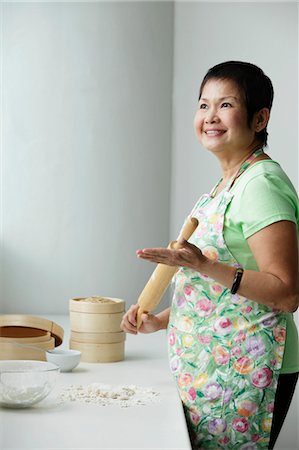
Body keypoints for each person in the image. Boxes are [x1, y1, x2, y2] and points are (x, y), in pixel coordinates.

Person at [121, 61, 299, 450]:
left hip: (248, 369)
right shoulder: (226, 184)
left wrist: (203, 263)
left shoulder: (261, 185)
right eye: (203, 105)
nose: (210, 116)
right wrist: (163, 320)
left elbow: (286, 292)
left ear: (259, 118)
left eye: (226, 105)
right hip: (215, 367)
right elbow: (217, 291)